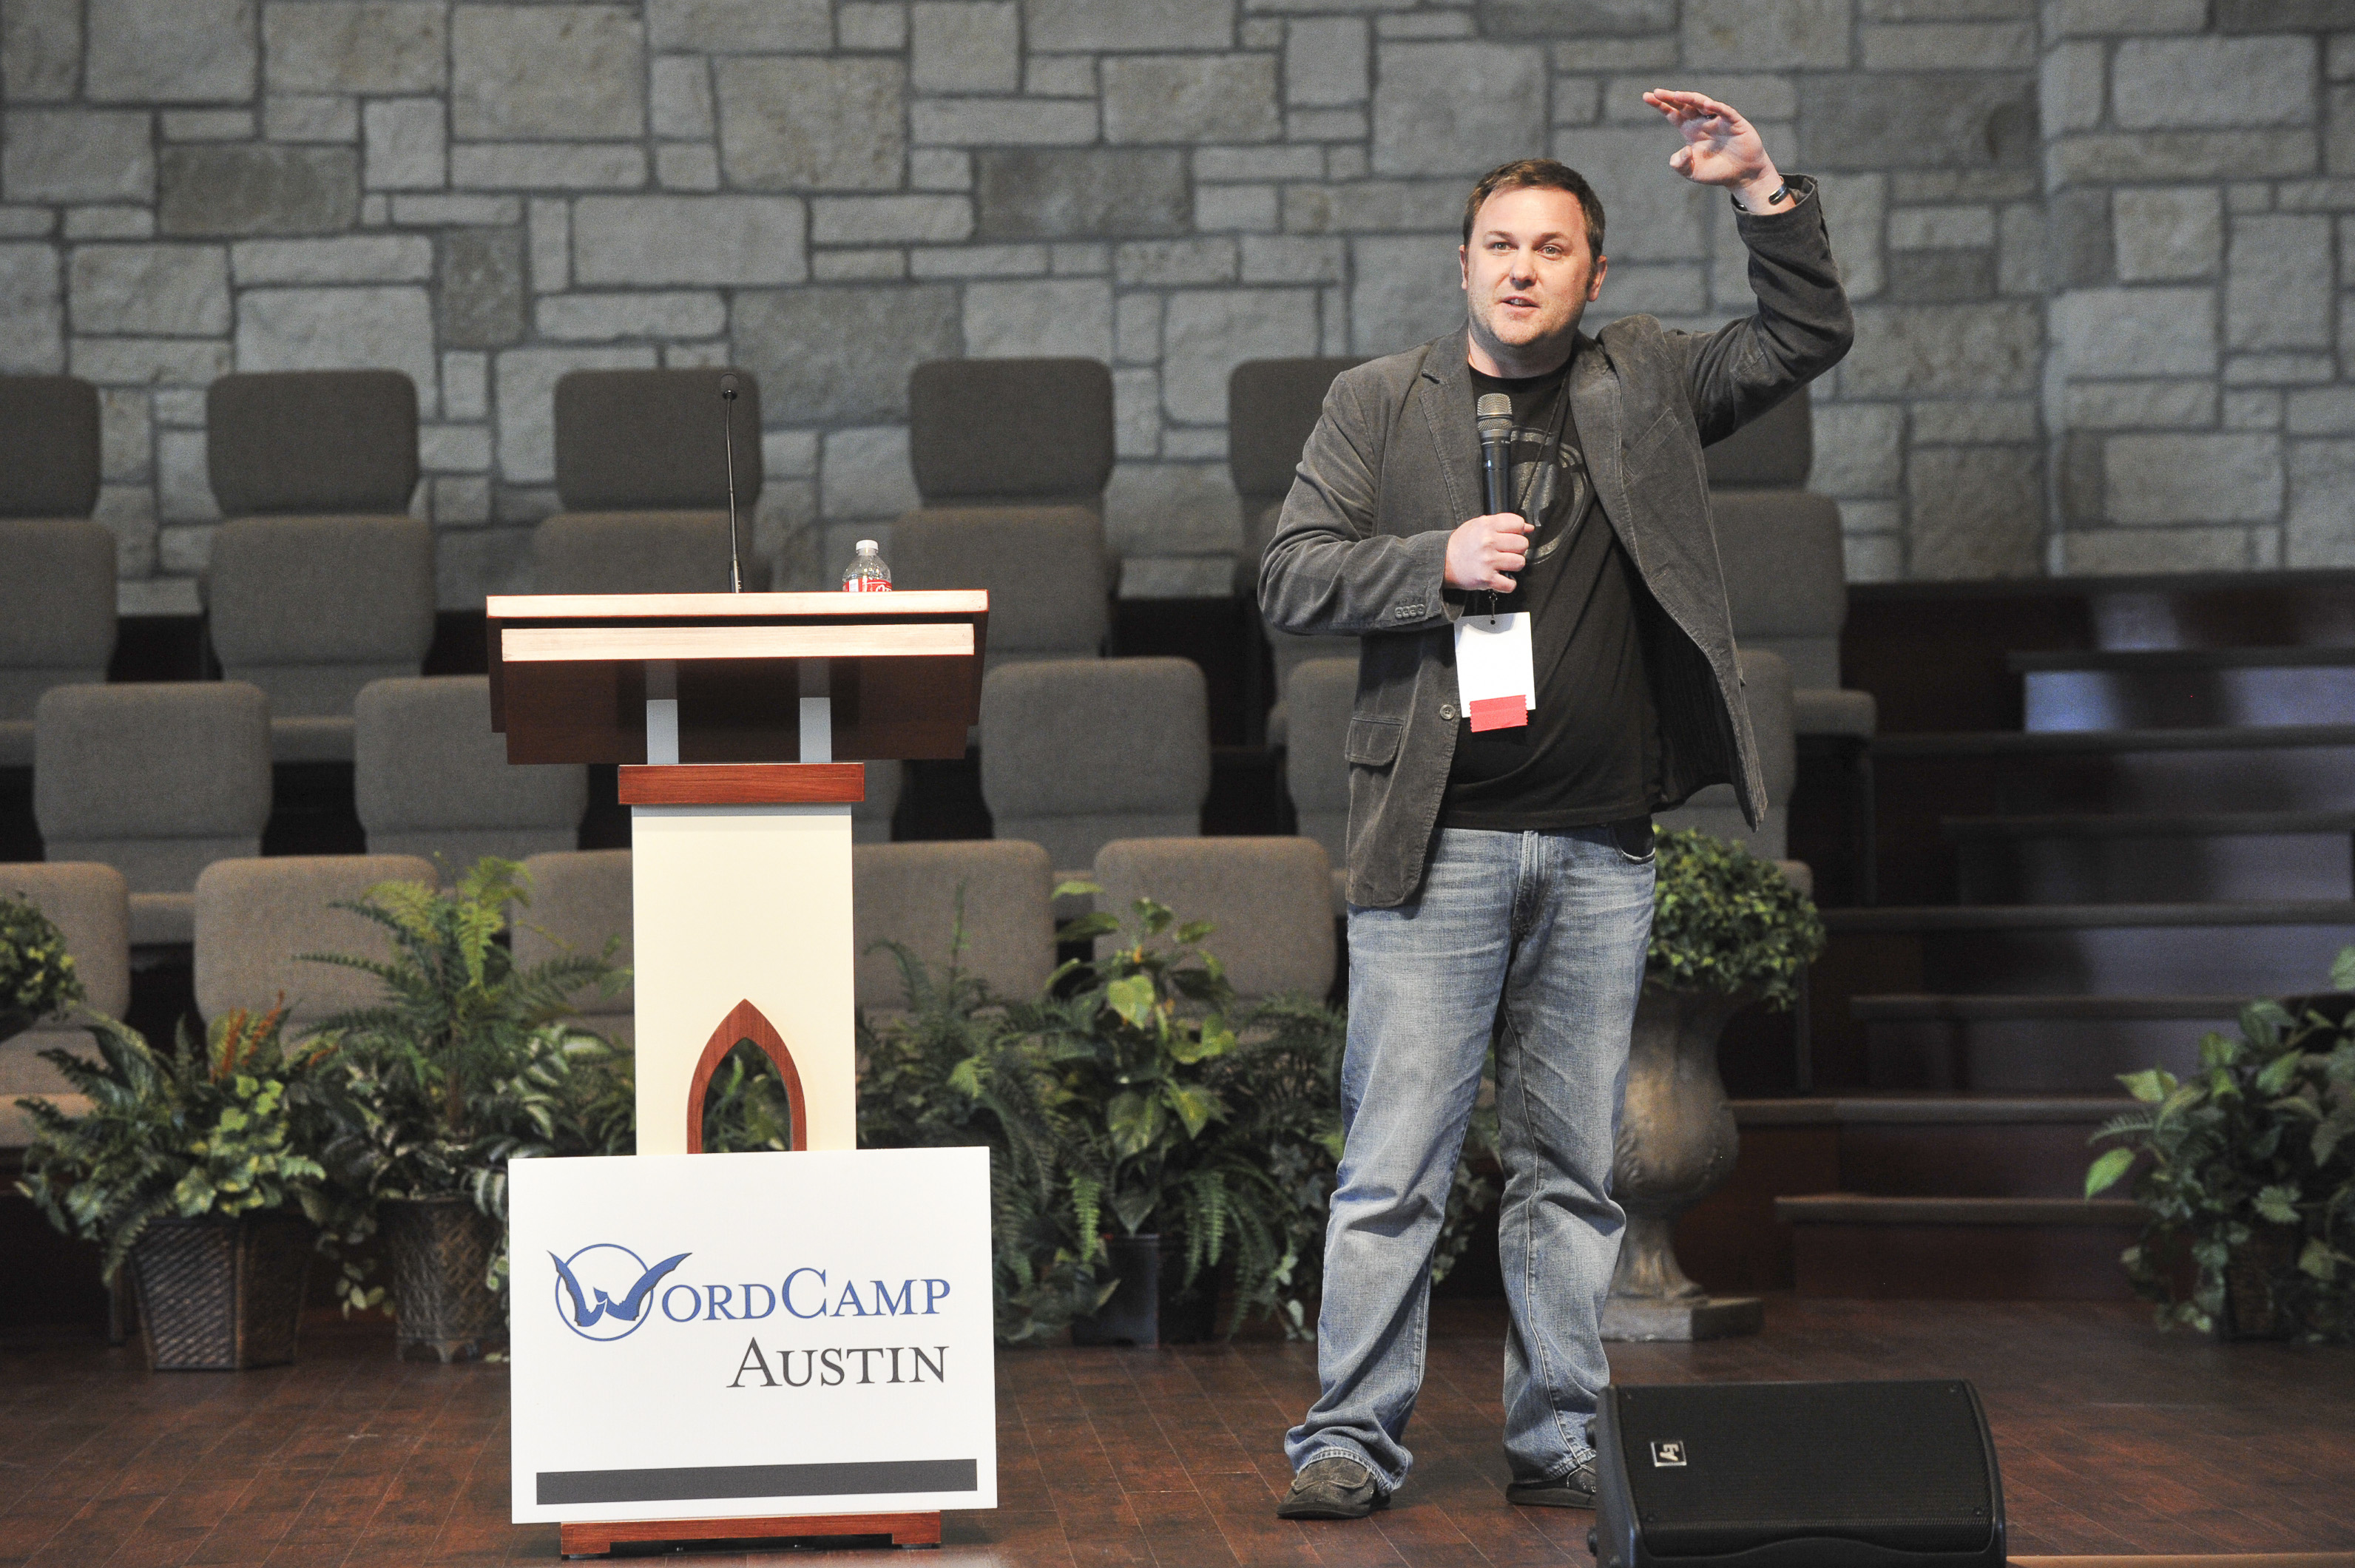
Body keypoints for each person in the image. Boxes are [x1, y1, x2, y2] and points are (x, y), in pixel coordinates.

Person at [1259, 90, 1854, 1521]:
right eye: (1499, 245)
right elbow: (1289, 573)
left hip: (1600, 846)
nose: (1522, 268)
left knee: (1573, 1169)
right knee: (1394, 1165)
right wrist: (1432, 560)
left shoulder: (1646, 380)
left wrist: (1761, 188)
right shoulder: (1377, 401)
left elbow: (1804, 335)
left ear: (1594, 274)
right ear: (1462, 263)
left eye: (1552, 248)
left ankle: (1562, 1435)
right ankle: (1348, 1439)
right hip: (1438, 844)